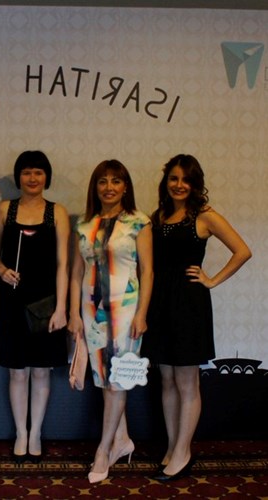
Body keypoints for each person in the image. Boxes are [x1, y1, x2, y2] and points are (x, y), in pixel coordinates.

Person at [141, 154, 251, 481]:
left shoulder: (204, 216)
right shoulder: (158, 216)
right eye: (173, 178)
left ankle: (183, 452)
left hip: (189, 304)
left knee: (187, 380)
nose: (179, 185)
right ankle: (173, 446)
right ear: (166, 181)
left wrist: (212, 280)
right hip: (159, 301)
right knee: (167, 378)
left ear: (195, 184)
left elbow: (243, 251)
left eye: (186, 179)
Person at [68, 159, 153, 484]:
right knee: (104, 378)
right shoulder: (83, 224)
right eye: (102, 181)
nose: (109, 187)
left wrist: (142, 313)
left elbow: (148, 271)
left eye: (116, 181)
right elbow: (76, 272)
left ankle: (103, 450)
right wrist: (74, 314)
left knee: (117, 379)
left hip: (126, 310)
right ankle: (122, 440)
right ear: (95, 187)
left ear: (125, 186)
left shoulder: (139, 222)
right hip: (92, 311)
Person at [0, 150, 70, 463]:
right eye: (26, 172)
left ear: (46, 176)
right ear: (18, 176)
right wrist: (2, 270)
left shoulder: (57, 212)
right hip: (11, 297)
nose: (32, 178)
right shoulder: (4, 209)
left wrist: (61, 308)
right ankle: (20, 433)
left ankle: (35, 432)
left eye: (38, 172)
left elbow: (63, 264)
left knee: (41, 372)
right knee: (18, 373)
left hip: (46, 302)